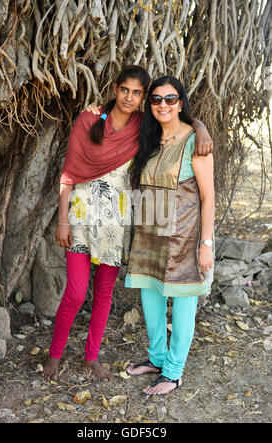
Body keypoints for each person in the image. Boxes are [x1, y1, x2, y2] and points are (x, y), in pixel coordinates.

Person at [42, 66, 212, 381]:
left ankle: (91, 358)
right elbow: (68, 173)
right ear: (116, 88)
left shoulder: (142, 126)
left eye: (137, 93)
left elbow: (180, 121)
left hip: (117, 223)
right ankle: (55, 354)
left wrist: (200, 127)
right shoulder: (90, 119)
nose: (130, 97)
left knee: (104, 291)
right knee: (77, 292)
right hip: (81, 218)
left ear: (142, 98)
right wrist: (62, 219)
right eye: (125, 90)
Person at [125, 75, 215, 396]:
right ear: (150, 104)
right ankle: (158, 358)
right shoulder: (147, 138)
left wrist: (206, 244)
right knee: (150, 300)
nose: (163, 105)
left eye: (171, 99)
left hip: (184, 237)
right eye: (156, 99)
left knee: (183, 304)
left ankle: (174, 372)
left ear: (181, 102)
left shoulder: (196, 141)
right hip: (149, 235)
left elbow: (208, 197)